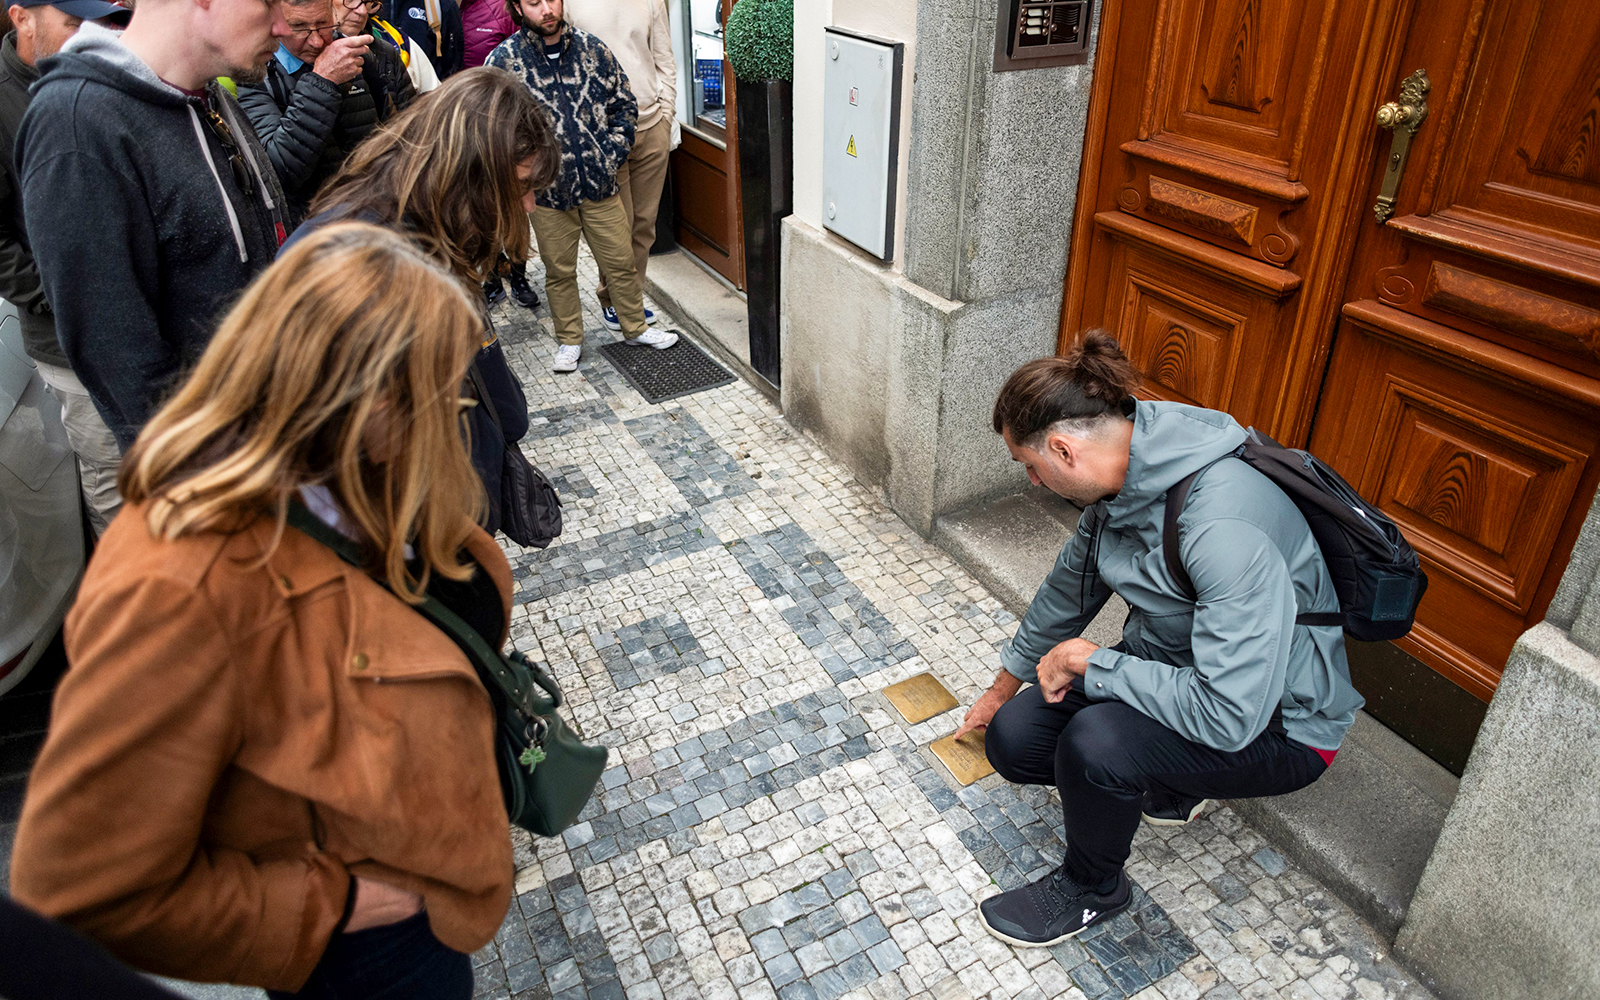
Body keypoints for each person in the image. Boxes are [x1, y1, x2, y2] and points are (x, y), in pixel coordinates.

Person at [10, 222, 518, 998]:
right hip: (360, 955)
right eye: (433, 395)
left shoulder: (348, 478)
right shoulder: (177, 585)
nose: (448, 421)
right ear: (352, 401)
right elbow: (79, 884)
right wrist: (330, 904)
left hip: (424, 895)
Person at [959, 332, 1363, 948]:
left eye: (1030, 466)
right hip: (1174, 673)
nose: (1034, 483)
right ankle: (1169, 780)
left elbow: (1230, 716)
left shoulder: (1220, 526)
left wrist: (1095, 664)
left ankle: (1094, 889)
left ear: (1064, 450)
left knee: (1097, 747)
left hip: (1280, 725)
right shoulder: (1120, 482)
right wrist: (999, 690)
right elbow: (1066, 594)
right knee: (1015, 739)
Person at [291, 65, 560, 537]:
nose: (529, 206)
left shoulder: (432, 229)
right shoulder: (356, 258)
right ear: (468, 169)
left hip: (454, 514)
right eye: (520, 186)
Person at [14, 0, 291, 450]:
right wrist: (209, 476)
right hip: (212, 475)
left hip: (266, 438)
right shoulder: (77, 122)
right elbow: (117, 352)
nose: (282, 23)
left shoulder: (204, 94)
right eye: (268, 2)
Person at [487, 0, 676, 374]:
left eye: (551, 0)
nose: (546, 10)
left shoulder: (592, 49)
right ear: (517, 8)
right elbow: (493, 128)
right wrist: (523, 177)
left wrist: (612, 153)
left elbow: (622, 103)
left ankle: (634, 326)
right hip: (548, 193)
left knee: (621, 260)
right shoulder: (504, 62)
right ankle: (569, 340)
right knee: (559, 271)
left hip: (599, 183)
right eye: (534, 3)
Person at [0, 0, 130, 534]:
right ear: (21, 18)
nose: (90, 35)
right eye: (74, 23)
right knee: (114, 483)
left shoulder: (104, 76)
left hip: (138, 324)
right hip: (67, 342)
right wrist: (68, 292)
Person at [239, 0, 413, 224]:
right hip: (312, 233)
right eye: (299, 27)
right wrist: (322, 81)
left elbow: (401, 141)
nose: (316, 40)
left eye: (323, 24)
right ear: (276, 22)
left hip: (374, 219)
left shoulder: (362, 55)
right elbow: (279, 175)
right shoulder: (255, 73)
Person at [568, 0, 674, 332]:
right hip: (603, 133)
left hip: (650, 125)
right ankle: (613, 297)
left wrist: (666, 114)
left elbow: (664, 59)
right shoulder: (569, 4)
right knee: (618, 228)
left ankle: (629, 298)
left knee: (644, 226)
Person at [342, 0, 440, 94]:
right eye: (350, 1)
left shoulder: (394, 40)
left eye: (366, 2)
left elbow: (435, 99)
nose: (362, 11)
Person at [382, 0, 460, 80]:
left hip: (427, 87)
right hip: (377, 86)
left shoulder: (439, 4)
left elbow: (453, 64)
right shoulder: (370, 5)